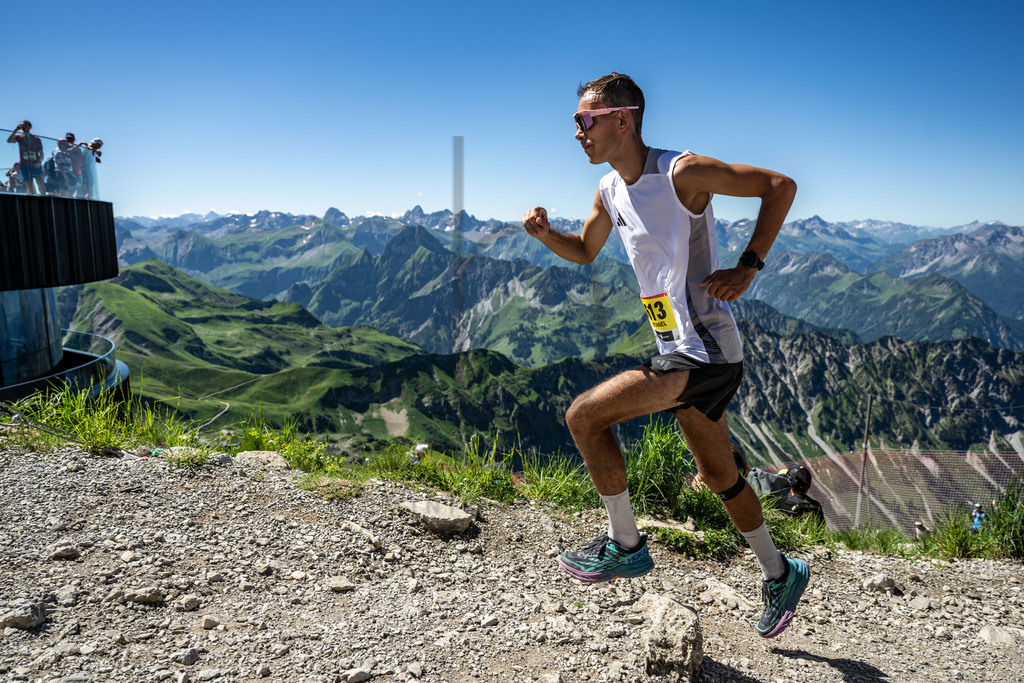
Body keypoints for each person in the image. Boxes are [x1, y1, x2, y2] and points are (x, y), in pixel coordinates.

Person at [521, 72, 805, 639]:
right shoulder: (609, 190)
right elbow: (585, 250)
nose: (577, 132)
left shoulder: (682, 172)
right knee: (719, 475)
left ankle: (625, 543)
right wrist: (546, 235)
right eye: (576, 122)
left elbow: (780, 185)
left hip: (706, 352)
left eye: (585, 120)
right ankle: (781, 573)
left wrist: (748, 266)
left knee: (584, 416)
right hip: (677, 346)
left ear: (623, 119)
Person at [6, 120, 45, 195]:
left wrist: (39, 162)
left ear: (30, 126)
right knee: (29, 183)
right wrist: (15, 130)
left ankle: (43, 196)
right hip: (24, 164)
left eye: (25, 125)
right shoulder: (19, 137)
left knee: (39, 180)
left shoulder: (36, 138)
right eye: (22, 125)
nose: (23, 127)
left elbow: (41, 153)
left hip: (35, 163)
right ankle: (31, 196)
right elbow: (9, 140)